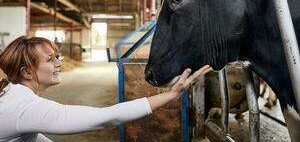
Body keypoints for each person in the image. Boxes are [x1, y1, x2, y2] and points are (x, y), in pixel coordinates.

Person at [0, 36, 212, 142]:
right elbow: (106, 117)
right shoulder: (25, 107)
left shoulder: (12, 93)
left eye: (57, 56)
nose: (58, 63)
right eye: (50, 59)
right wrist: (171, 94)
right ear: (27, 72)